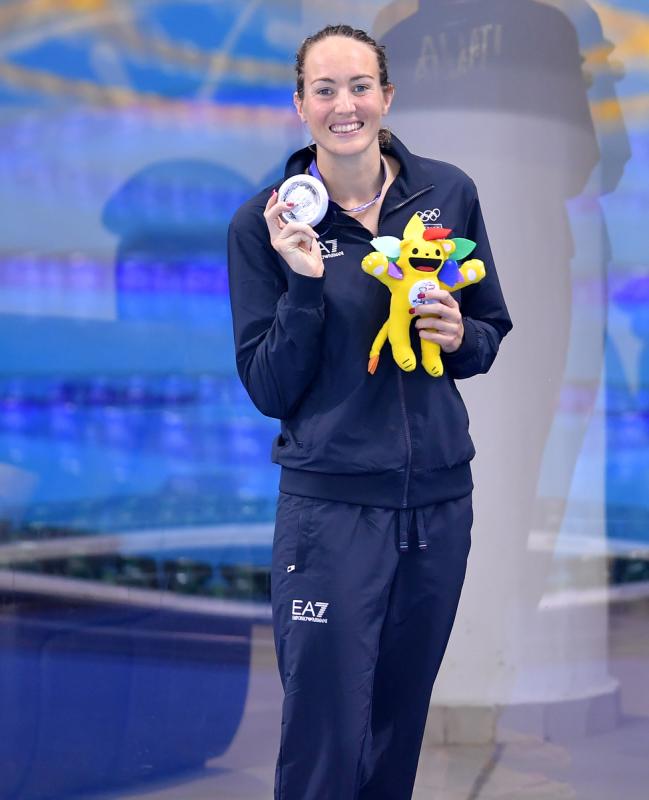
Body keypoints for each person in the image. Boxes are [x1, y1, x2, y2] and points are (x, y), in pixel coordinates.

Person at [227, 24, 512, 800]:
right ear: (299, 105)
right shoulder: (266, 225)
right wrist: (305, 285)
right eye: (324, 89)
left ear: (386, 96)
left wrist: (461, 335)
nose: (343, 104)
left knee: (396, 728)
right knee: (324, 738)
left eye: (359, 86)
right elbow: (268, 387)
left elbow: (487, 330)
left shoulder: (445, 193)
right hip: (331, 513)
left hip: (439, 504)